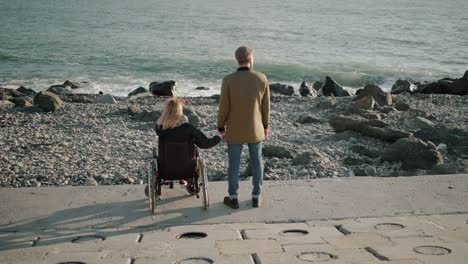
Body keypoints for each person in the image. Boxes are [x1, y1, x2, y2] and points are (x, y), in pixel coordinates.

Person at [217, 46, 270, 209]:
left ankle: (233, 198)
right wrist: (266, 126)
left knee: (234, 163)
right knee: (257, 161)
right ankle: (256, 196)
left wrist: (220, 127)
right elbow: (265, 107)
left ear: (237, 59)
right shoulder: (261, 78)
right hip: (256, 129)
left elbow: (223, 107)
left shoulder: (228, 80)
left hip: (234, 129)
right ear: (251, 59)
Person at [156, 98, 221, 185]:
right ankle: (183, 178)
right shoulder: (188, 128)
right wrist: (219, 137)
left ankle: (170, 178)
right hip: (187, 169)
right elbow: (205, 144)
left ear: (165, 111)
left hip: (166, 170)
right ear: (180, 111)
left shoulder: (160, 128)